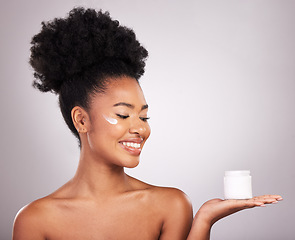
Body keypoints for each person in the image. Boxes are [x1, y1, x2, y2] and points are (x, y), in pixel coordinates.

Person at [12, 7, 282, 240]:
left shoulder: (170, 205)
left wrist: (204, 220)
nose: (140, 129)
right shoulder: (35, 220)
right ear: (81, 120)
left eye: (143, 116)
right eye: (123, 114)